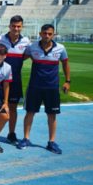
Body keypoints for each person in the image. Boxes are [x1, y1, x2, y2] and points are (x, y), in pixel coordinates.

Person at [19, 24, 71, 154]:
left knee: (51, 115)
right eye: (44, 33)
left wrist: (68, 81)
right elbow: (21, 58)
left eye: (49, 33)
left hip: (52, 87)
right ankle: (26, 138)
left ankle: (51, 142)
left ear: (54, 35)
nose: (46, 36)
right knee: (30, 112)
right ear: (40, 34)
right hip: (34, 86)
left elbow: (65, 63)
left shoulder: (60, 48)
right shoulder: (32, 47)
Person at [0, 15, 30, 145]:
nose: (16, 28)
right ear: (9, 26)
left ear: (22, 27)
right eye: (13, 26)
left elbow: (25, 56)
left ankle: (11, 133)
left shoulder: (26, 41)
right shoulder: (0, 39)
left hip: (15, 79)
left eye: (18, 26)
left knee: (13, 108)